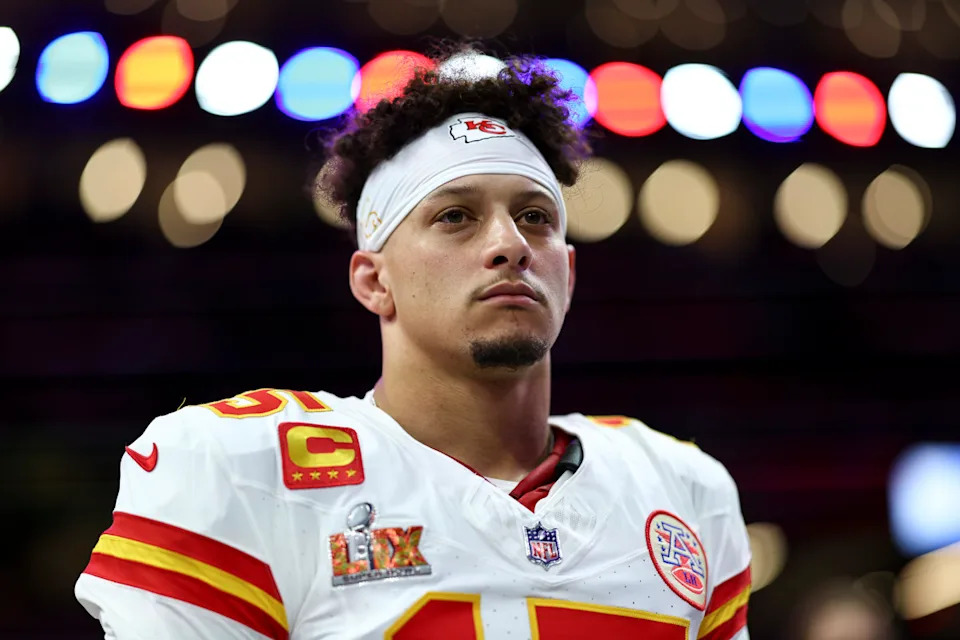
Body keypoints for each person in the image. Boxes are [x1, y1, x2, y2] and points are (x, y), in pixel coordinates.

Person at [75, 48, 752, 640]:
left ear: (568, 275)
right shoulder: (237, 470)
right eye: (456, 216)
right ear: (374, 281)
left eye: (535, 217)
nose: (510, 244)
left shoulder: (682, 489)